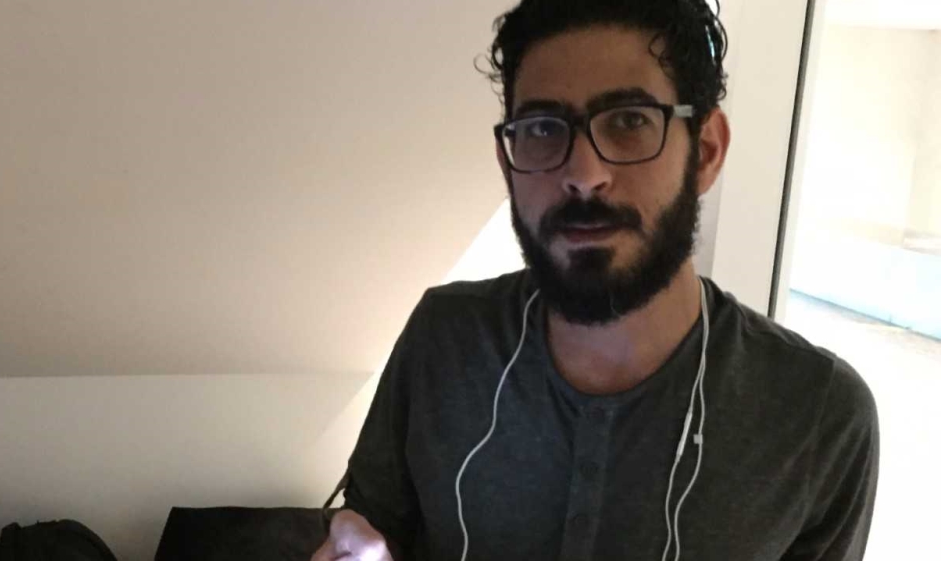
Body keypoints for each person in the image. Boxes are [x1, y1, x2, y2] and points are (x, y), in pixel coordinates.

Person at [312, 0, 879, 559]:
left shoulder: (819, 415)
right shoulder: (445, 338)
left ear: (705, 152)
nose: (583, 175)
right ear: (508, 163)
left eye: (630, 121)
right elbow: (370, 524)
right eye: (542, 128)